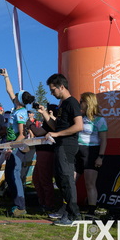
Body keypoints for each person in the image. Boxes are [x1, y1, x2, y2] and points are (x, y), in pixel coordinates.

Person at [42, 73, 83, 226]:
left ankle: (74, 216)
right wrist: (44, 113)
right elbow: (56, 127)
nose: (52, 93)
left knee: (66, 179)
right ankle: (67, 211)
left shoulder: (72, 102)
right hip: (60, 145)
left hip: (67, 145)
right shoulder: (62, 104)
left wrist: (57, 134)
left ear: (61, 87)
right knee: (60, 180)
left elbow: (79, 126)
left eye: (53, 90)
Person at [0, 69, 35, 217]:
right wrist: (6, 76)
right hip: (12, 145)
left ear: (19, 100)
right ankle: (16, 203)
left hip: (17, 147)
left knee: (14, 174)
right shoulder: (16, 107)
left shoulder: (21, 113)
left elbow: (21, 134)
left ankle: (21, 206)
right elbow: (9, 90)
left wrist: (11, 148)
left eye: (16, 96)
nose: (13, 96)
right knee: (9, 175)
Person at [75, 92, 108, 216]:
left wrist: (100, 157)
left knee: (89, 184)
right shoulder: (79, 117)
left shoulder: (100, 120)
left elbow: (104, 140)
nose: (80, 103)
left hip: (91, 152)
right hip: (77, 151)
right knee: (70, 181)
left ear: (88, 103)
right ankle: (69, 207)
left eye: (81, 101)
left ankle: (91, 211)